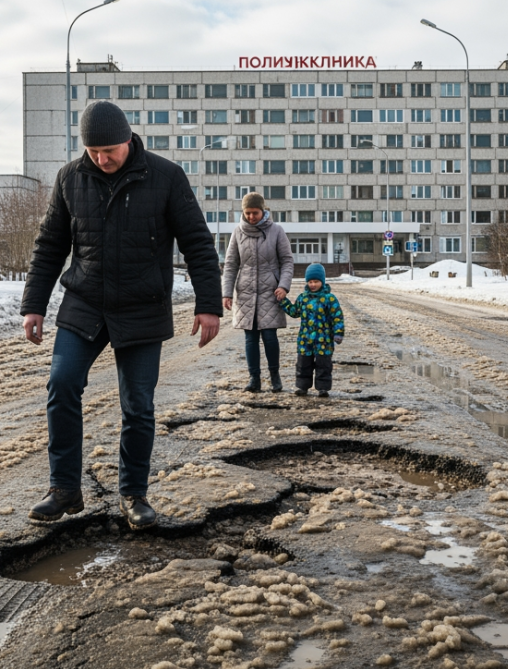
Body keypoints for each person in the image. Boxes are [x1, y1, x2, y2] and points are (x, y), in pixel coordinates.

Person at [20, 100, 223, 530]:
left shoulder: (165, 176)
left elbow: (198, 243)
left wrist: (208, 304)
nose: (101, 159)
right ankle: (64, 489)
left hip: (142, 308)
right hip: (84, 305)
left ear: (128, 140)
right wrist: (33, 304)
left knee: (137, 405)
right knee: (61, 384)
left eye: (109, 150)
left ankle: (134, 495)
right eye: (93, 151)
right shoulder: (69, 179)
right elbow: (50, 246)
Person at [221, 192, 293, 393]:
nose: (252, 217)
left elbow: (287, 260)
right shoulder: (238, 232)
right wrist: (227, 292)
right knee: (250, 338)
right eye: (248, 213)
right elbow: (231, 264)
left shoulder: (277, 231)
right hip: (246, 291)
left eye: (255, 212)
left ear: (263, 211)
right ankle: (254, 379)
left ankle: (274, 376)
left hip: (271, 291)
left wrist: (284, 285)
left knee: (270, 336)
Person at [279, 263, 344, 397]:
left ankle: (323, 388)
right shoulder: (303, 298)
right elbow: (294, 311)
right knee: (303, 365)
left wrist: (338, 333)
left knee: (323, 365)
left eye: (316, 281)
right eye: (310, 281)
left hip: (324, 340)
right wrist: (283, 301)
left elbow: (337, 317)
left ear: (322, 281)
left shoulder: (329, 298)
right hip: (305, 340)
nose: (313, 284)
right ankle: (303, 387)